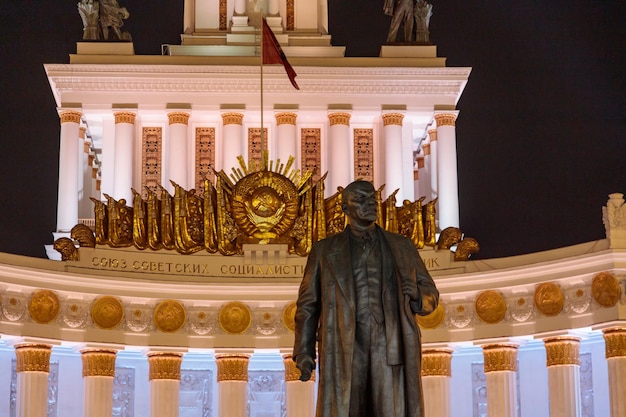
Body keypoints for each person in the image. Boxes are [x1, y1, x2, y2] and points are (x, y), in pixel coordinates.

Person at [293, 180, 439, 417]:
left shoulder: (402, 246)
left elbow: (430, 294)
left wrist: (417, 295)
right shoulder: (323, 251)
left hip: (390, 345)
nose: (370, 203)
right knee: (347, 409)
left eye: (372, 198)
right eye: (361, 199)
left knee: (390, 410)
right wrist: (304, 352)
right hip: (344, 346)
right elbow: (308, 305)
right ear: (344, 208)